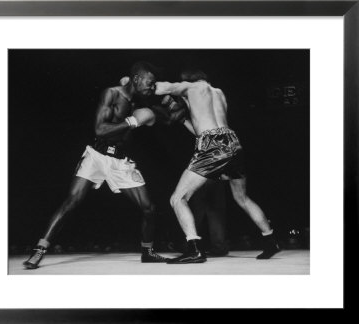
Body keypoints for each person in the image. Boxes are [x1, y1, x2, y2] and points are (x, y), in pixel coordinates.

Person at [23, 62, 169, 269]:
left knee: (149, 208)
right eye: (150, 82)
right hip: (97, 155)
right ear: (137, 78)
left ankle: (147, 252)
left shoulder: (139, 101)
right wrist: (131, 123)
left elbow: (167, 115)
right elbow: (100, 130)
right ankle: (39, 250)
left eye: (154, 84)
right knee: (71, 202)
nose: (152, 87)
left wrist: (169, 103)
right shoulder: (111, 93)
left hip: (121, 161)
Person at [155, 69, 280, 264]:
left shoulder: (190, 87)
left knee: (177, 198)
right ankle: (271, 240)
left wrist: (132, 81)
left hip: (212, 145)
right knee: (242, 198)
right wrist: (183, 119)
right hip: (233, 141)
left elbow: (159, 88)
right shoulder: (219, 93)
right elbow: (205, 127)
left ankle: (194, 249)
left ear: (187, 80)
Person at [189, 179, 229, 257]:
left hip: (198, 175)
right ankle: (219, 247)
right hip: (215, 176)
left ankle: (191, 246)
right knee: (215, 214)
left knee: (196, 212)